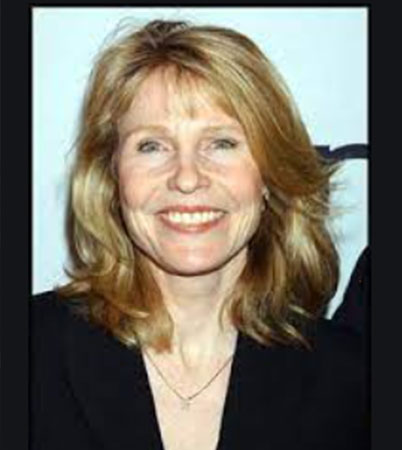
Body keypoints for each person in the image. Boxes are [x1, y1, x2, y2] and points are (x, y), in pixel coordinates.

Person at [31, 20, 368, 450]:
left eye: (221, 143)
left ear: (269, 175)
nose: (187, 178)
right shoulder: (30, 348)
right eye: (152, 146)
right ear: (111, 177)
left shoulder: (350, 378)